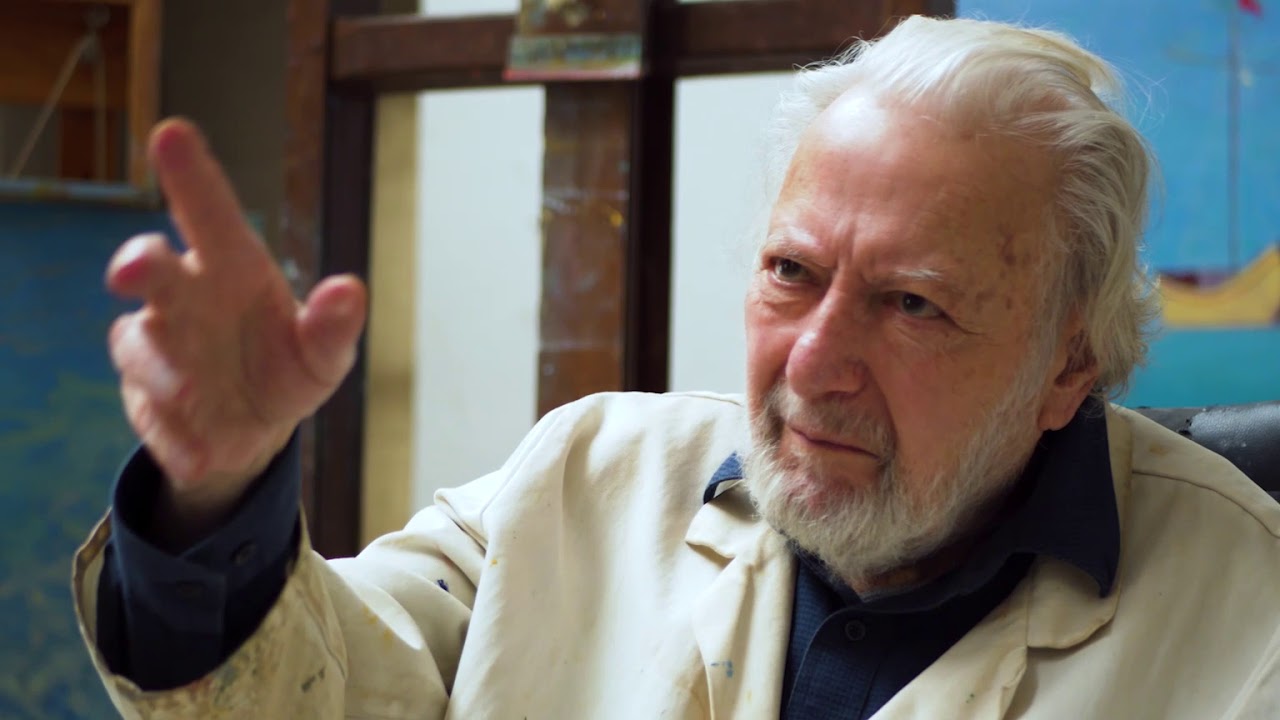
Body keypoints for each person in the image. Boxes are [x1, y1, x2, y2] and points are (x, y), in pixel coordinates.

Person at [73, 15, 1280, 720]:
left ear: (1069, 363)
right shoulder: (585, 476)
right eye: (790, 272)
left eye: (911, 304)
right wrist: (216, 497)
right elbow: (312, 686)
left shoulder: (1248, 621)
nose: (815, 362)